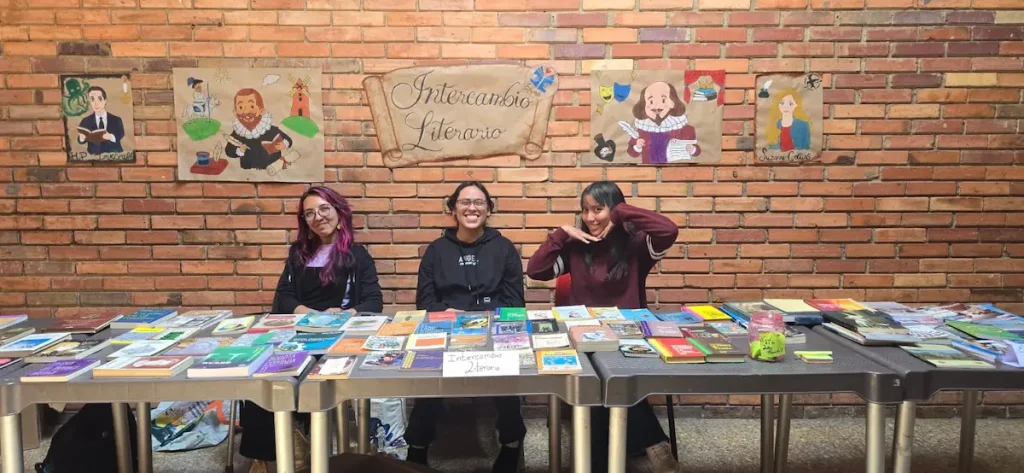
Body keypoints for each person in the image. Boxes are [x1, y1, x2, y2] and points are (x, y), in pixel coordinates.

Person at [526, 181, 681, 473]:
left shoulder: (637, 245)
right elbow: (536, 270)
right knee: (596, 381)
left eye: (598, 209)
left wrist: (622, 213)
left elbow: (669, 230)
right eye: (585, 210)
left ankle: (604, 459)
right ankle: (652, 440)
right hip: (583, 337)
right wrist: (561, 234)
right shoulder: (577, 245)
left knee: (609, 381)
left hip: (627, 336)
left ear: (615, 209)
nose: (590, 217)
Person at [242, 185, 383, 473]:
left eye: (323, 209)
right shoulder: (298, 253)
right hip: (302, 331)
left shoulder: (358, 256)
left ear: (339, 212)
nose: (318, 217)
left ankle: (302, 445)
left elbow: (374, 301)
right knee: (261, 370)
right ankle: (267, 454)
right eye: (309, 213)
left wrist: (342, 315)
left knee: (311, 375)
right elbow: (284, 298)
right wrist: (312, 316)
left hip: (340, 335)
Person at [406, 181, 527, 473]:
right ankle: (417, 446)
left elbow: (515, 302)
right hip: (447, 328)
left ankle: (512, 443)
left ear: (488, 210)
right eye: (465, 202)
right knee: (427, 373)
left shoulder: (504, 248)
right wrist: (450, 314)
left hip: (493, 329)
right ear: (453, 209)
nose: (472, 208)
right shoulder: (436, 250)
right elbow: (424, 301)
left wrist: (484, 319)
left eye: (479, 202)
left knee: (507, 374)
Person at [225, 88, 292, 172]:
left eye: (252, 106)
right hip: (248, 171)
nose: (246, 111)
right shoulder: (238, 133)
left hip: (271, 170)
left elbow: (288, 140)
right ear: (235, 112)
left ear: (261, 110)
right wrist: (239, 151)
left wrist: (284, 144)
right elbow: (229, 151)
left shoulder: (269, 129)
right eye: (241, 107)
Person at [77, 86, 125, 155]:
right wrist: (82, 138)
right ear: (89, 102)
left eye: (99, 99)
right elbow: (80, 141)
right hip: (94, 156)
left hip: (114, 154)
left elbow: (121, 134)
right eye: (92, 99)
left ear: (105, 101)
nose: (96, 103)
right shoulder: (86, 121)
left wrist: (110, 137)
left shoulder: (116, 119)